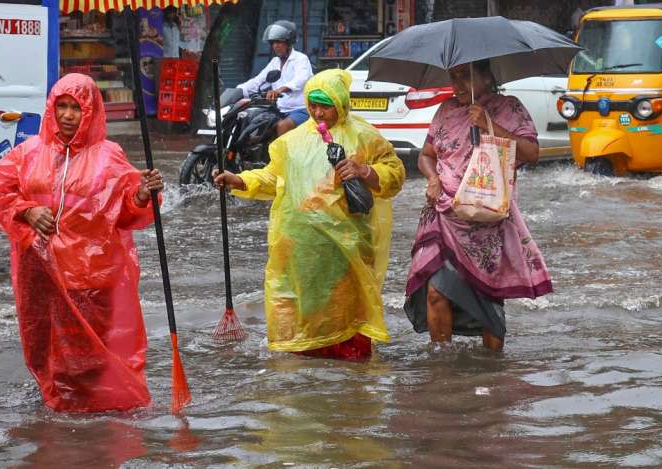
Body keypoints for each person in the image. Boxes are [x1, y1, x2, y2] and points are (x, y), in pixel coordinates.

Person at [0, 73, 164, 412]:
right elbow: (1, 193)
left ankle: (91, 428)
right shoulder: (27, 154)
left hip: (92, 281)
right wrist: (27, 211)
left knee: (93, 358)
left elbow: (125, 210)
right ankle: (61, 420)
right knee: (48, 354)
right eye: (61, 107)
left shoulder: (108, 156)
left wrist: (142, 194)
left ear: (91, 112)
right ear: (51, 109)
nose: (68, 115)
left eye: (76, 108)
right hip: (40, 278)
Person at [213, 69, 405, 360]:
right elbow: (273, 179)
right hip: (300, 246)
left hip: (346, 247)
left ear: (340, 103)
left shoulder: (365, 137)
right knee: (305, 311)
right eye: (312, 105)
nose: (317, 113)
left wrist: (365, 171)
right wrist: (239, 181)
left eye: (324, 105)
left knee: (345, 314)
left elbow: (395, 174)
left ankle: (349, 382)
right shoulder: (291, 143)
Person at [404, 60, 553, 352]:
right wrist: (432, 178)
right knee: (435, 292)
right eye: (453, 77)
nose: (458, 85)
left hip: (487, 220)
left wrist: (489, 125)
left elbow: (532, 153)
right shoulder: (446, 110)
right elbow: (426, 154)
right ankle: (441, 366)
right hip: (444, 214)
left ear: (486, 77)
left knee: (487, 301)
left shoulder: (509, 108)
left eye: (466, 77)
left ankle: (492, 369)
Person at [236, 20, 313, 136]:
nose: (275, 46)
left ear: (289, 43)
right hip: (279, 110)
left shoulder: (301, 59)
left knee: (282, 126)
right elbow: (258, 81)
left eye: (279, 42)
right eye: (272, 43)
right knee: (253, 126)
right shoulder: (274, 62)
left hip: (300, 109)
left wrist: (279, 90)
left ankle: (282, 155)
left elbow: (300, 80)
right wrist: (237, 91)